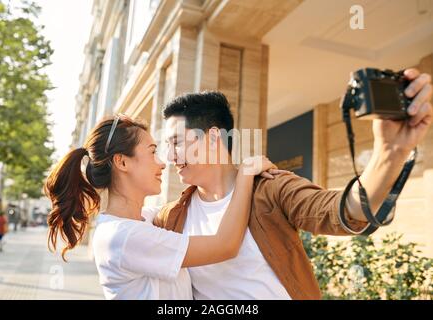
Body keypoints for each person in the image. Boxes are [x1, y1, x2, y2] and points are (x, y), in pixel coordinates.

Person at [154, 68, 432, 300]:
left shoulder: (271, 188)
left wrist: (389, 152)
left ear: (213, 138)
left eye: (176, 142)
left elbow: (344, 211)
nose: (170, 155)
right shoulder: (171, 216)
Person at [44, 115, 281, 299]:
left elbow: (187, 208)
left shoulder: (143, 220)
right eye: (153, 152)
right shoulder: (123, 236)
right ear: (122, 162)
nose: (163, 163)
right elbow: (224, 245)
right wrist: (245, 175)